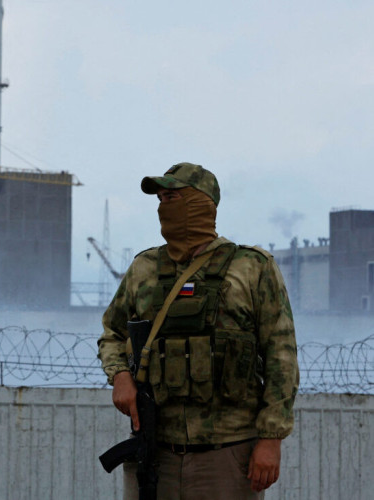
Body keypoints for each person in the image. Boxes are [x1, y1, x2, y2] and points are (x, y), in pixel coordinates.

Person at [98, 162, 299, 499]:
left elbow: (281, 354)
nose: (164, 206)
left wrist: (271, 439)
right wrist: (119, 375)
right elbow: (112, 333)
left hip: (228, 453)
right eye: (160, 199)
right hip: (156, 451)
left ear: (203, 203)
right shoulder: (144, 268)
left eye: (173, 196)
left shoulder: (251, 267)